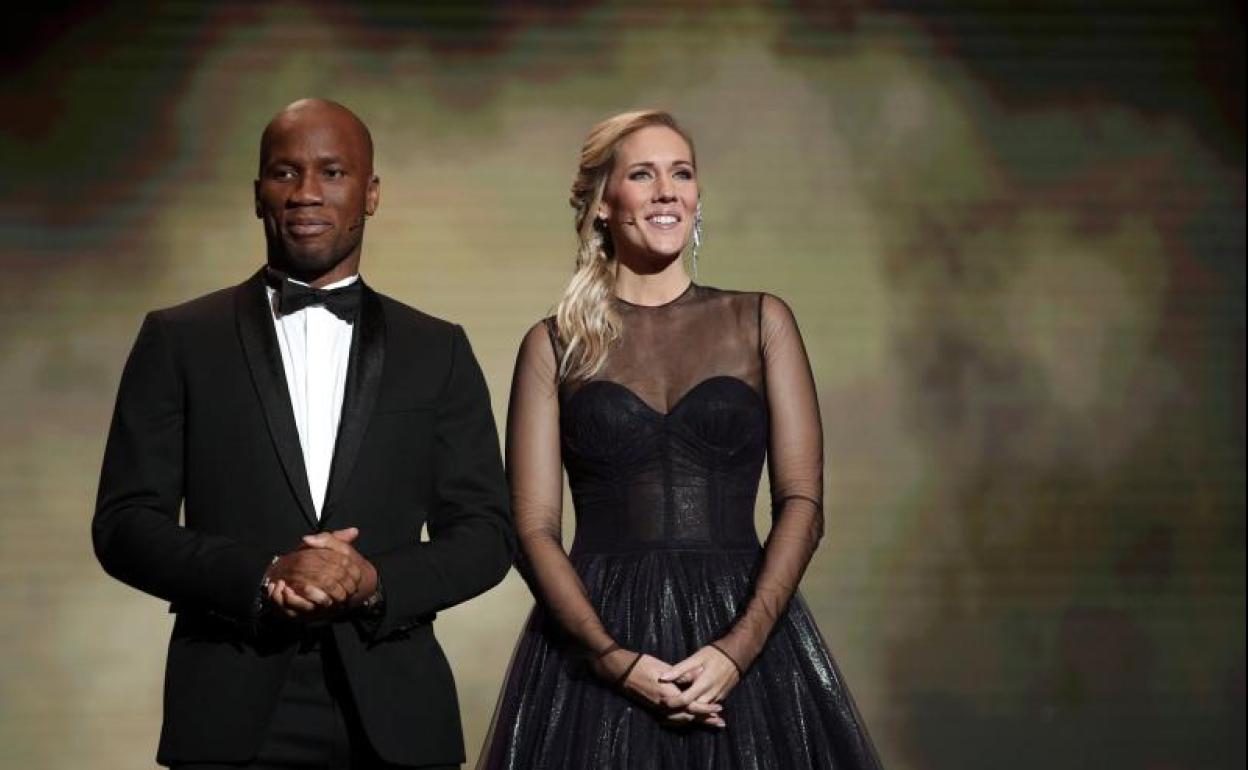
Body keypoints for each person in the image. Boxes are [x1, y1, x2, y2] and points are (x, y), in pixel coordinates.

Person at [93, 98, 514, 769]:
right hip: (227, 706)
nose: (307, 192)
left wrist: (374, 579)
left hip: (397, 715)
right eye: (284, 173)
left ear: (371, 193)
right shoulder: (179, 339)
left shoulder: (438, 349)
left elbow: (489, 535)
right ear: (257, 194)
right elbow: (123, 525)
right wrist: (261, 577)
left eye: (333, 171)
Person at [478, 110, 882, 769]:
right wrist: (612, 659)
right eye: (643, 174)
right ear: (604, 205)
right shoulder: (552, 344)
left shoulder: (760, 320)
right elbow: (532, 527)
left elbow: (803, 502)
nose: (668, 190)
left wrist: (737, 650)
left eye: (682, 173)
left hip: (746, 633)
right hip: (597, 639)